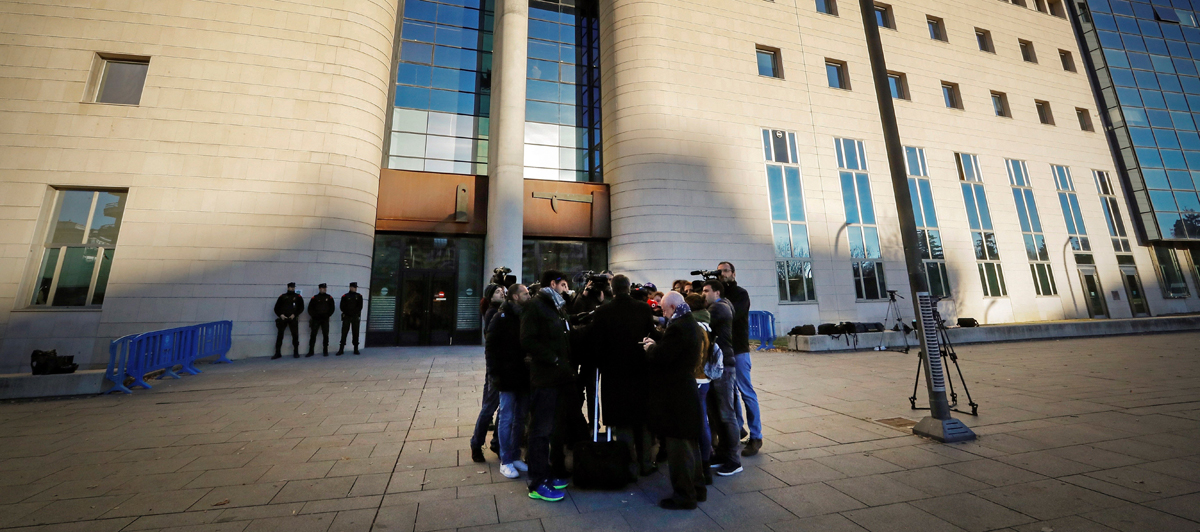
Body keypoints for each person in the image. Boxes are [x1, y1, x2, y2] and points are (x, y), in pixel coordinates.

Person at [641, 291, 706, 510]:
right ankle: (697, 488)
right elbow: (674, 347)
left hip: (676, 396)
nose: (662, 312)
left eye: (663, 308)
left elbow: (662, 357)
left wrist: (650, 348)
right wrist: (659, 340)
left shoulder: (678, 327)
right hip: (685, 392)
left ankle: (684, 495)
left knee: (679, 448)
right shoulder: (688, 322)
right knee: (690, 444)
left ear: (671, 307)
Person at [589, 274, 657, 477]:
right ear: (628, 288)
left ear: (612, 289)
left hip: (614, 373)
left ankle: (627, 463)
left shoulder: (603, 311)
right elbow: (650, 334)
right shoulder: (643, 308)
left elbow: (597, 343)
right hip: (640, 370)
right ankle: (646, 463)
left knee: (622, 420)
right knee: (642, 419)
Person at [520, 270, 575, 502]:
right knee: (540, 430)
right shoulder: (536, 306)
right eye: (563, 285)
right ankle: (537, 482)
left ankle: (547, 474)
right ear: (552, 284)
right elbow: (527, 340)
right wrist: (553, 359)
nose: (567, 289)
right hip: (545, 378)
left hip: (557, 377)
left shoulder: (555, 305)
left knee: (549, 428)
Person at [488, 284, 532, 479]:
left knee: (519, 418)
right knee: (506, 418)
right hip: (506, 377)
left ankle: (514, 456)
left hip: (523, 377)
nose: (529, 296)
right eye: (525, 293)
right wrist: (495, 373)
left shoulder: (524, 315)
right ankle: (505, 460)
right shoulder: (501, 317)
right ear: (515, 296)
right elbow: (491, 347)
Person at [719, 261, 761, 456]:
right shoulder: (720, 294)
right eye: (719, 271)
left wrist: (718, 303)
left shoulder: (740, 294)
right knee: (730, 395)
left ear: (733, 274)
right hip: (724, 351)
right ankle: (738, 430)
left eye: (725, 271)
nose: (722, 274)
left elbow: (732, 314)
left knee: (746, 393)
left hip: (739, 350)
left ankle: (756, 436)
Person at [703, 279, 742, 476]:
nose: (704, 294)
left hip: (723, 366)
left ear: (717, 292)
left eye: (706, 291)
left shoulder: (719, 308)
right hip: (718, 365)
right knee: (717, 414)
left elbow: (700, 320)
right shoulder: (721, 307)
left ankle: (734, 460)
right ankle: (723, 454)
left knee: (726, 414)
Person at [470, 284, 506, 462]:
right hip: (497, 367)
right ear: (490, 297)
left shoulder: (497, 311)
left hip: (498, 366)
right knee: (490, 408)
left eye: (503, 291)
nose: (502, 293)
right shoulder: (494, 313)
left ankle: (492, 443)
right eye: (498, 292)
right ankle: (477, 443)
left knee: (496, 408)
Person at [685, 292, 714, 484]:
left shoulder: (694, 327)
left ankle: (702, 464)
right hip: (704, 378)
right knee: (703, 420)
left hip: (696, 378)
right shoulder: (707, 322)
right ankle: (706, 462)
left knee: (699, 423)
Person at [273, 282, 304, 359]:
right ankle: (277, 353)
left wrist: (295, 314)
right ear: (288, 288)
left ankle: (296, 352)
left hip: (292, 318)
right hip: (283, 318)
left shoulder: (298, 297)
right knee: (280, 335)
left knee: (295, 335)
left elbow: (301, 307)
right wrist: (281, 315)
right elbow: (276, 308)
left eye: (293, 287)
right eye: (291, 287)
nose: (292, 288)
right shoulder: (282, 296)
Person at [306, 283, 336, 357]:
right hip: (316, 319)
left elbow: (332, 308)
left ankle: (325, 350)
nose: (324, 289)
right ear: (319, 289)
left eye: (325, 288)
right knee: (313, 335)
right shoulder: (315, 298)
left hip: (325, 319)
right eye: (323, 288)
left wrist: (327, 315)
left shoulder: (329, 298)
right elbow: (310, 309)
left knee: (325, 335)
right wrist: (314, 316)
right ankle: (311, 351)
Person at [337, 282, 364, 355]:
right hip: (347, 316)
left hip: (355, 317)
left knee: (355, 332)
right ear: (350, 287)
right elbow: (342, 307)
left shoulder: (359, 296)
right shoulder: (345, 296)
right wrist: (348, 312)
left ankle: (356, 349)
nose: (355, 289)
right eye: (354, 287)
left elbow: (360, 307)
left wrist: (354, 313)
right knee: (344, 332)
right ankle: (341, 349)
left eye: (356, 287)